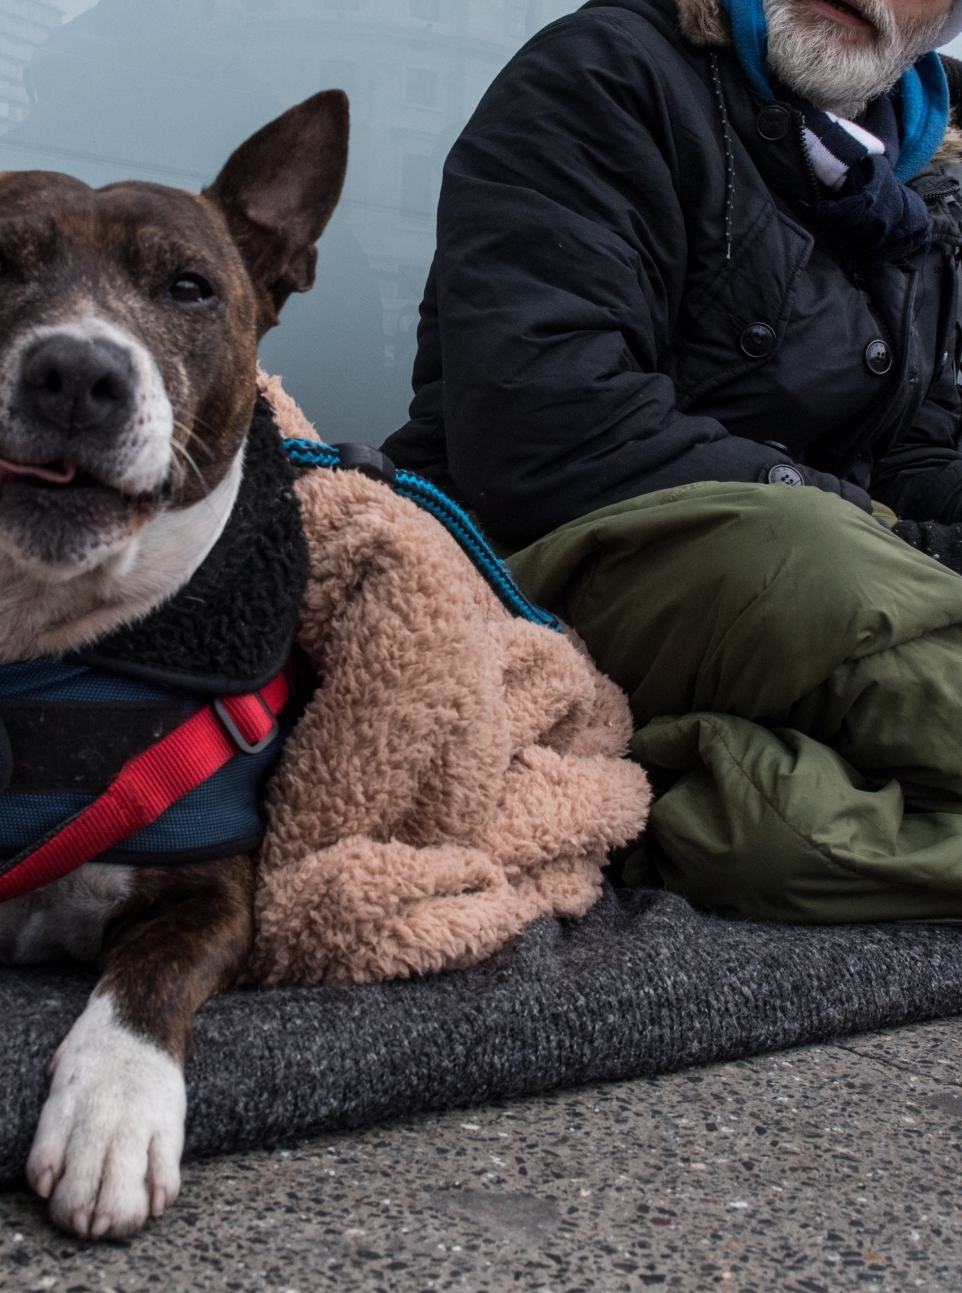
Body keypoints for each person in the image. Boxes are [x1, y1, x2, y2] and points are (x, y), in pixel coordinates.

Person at [383, 0, 962, 922]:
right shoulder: (609, 72)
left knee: (774, 834)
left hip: (816, 617)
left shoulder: (921, 187)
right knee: (805, 551)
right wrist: (891, 539)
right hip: (553, 575)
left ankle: (675, 796)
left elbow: (917, 450)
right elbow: (551, 427)